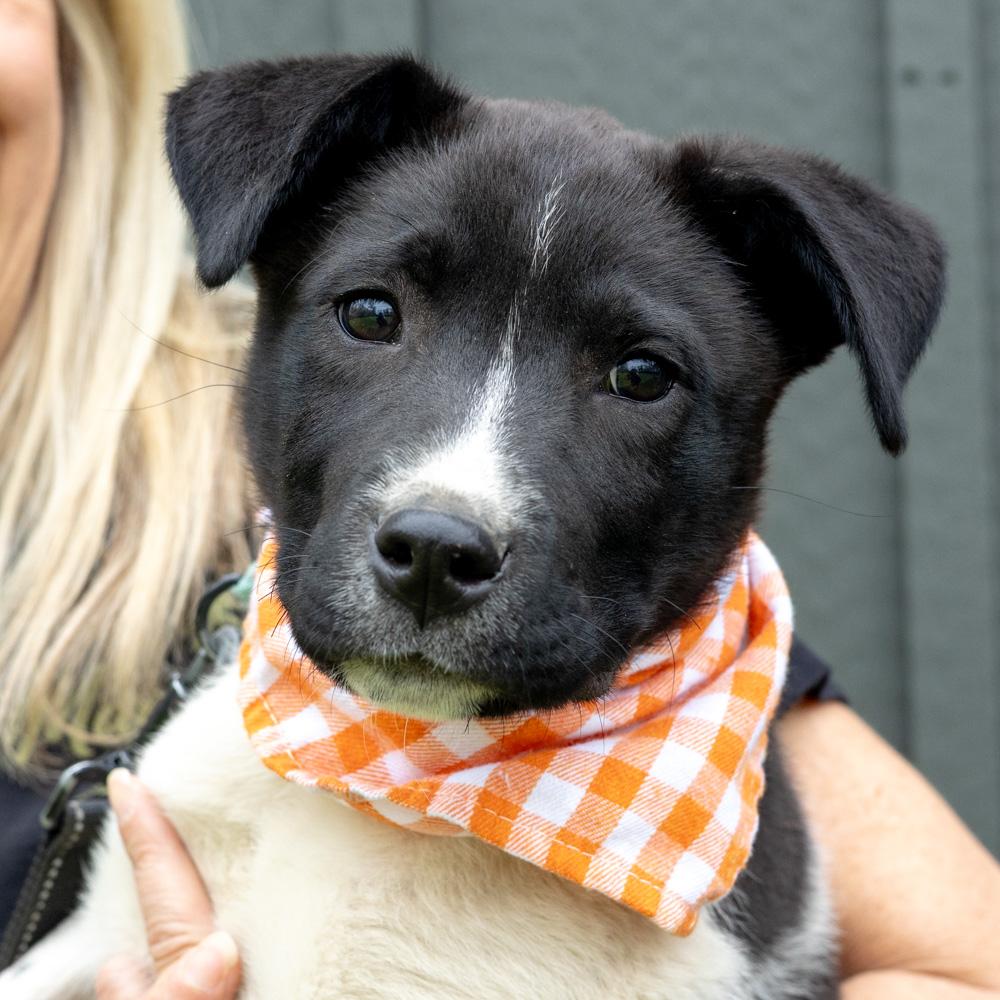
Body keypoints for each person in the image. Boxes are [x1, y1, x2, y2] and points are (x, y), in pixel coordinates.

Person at [1, 2, 998, 998]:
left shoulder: (694, 764)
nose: (450, 512)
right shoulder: (228, 734)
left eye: (640, 376)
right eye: (373, 315)